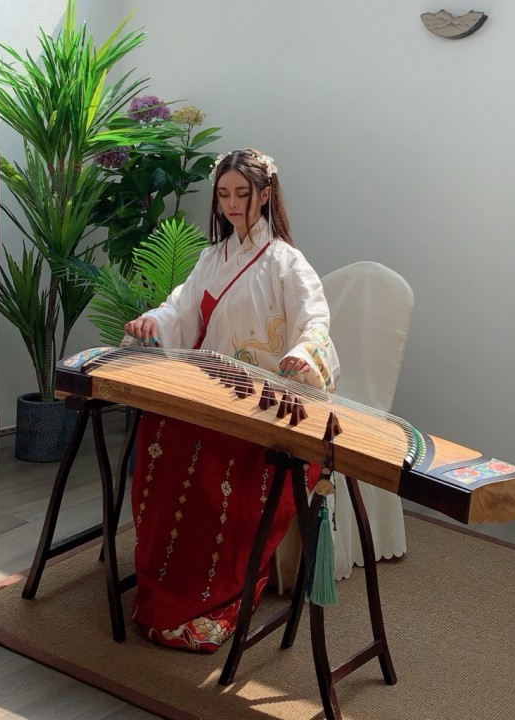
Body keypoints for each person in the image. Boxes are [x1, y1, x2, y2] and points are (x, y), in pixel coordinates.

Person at [123, 148, 340, 653]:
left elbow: (315, 321)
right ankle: (164, 577)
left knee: (211, 461)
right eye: (224, 194)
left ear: (265, 195)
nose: (232, 204)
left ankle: (212, 591)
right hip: (211, 390)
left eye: (243, 193)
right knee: (160, 431)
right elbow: (180, 309)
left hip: (260, 400)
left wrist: (303, 353)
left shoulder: (287, 261)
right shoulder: (211, 258)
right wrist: (154, 321)